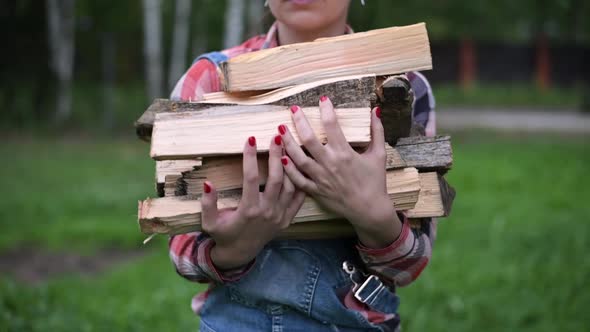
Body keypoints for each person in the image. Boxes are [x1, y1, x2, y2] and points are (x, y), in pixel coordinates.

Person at [169, 1, 437, 331]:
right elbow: (179, 248)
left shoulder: (400, 84)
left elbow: (410, 266)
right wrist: (234, 249)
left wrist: (375, 217)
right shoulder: (210, 79)